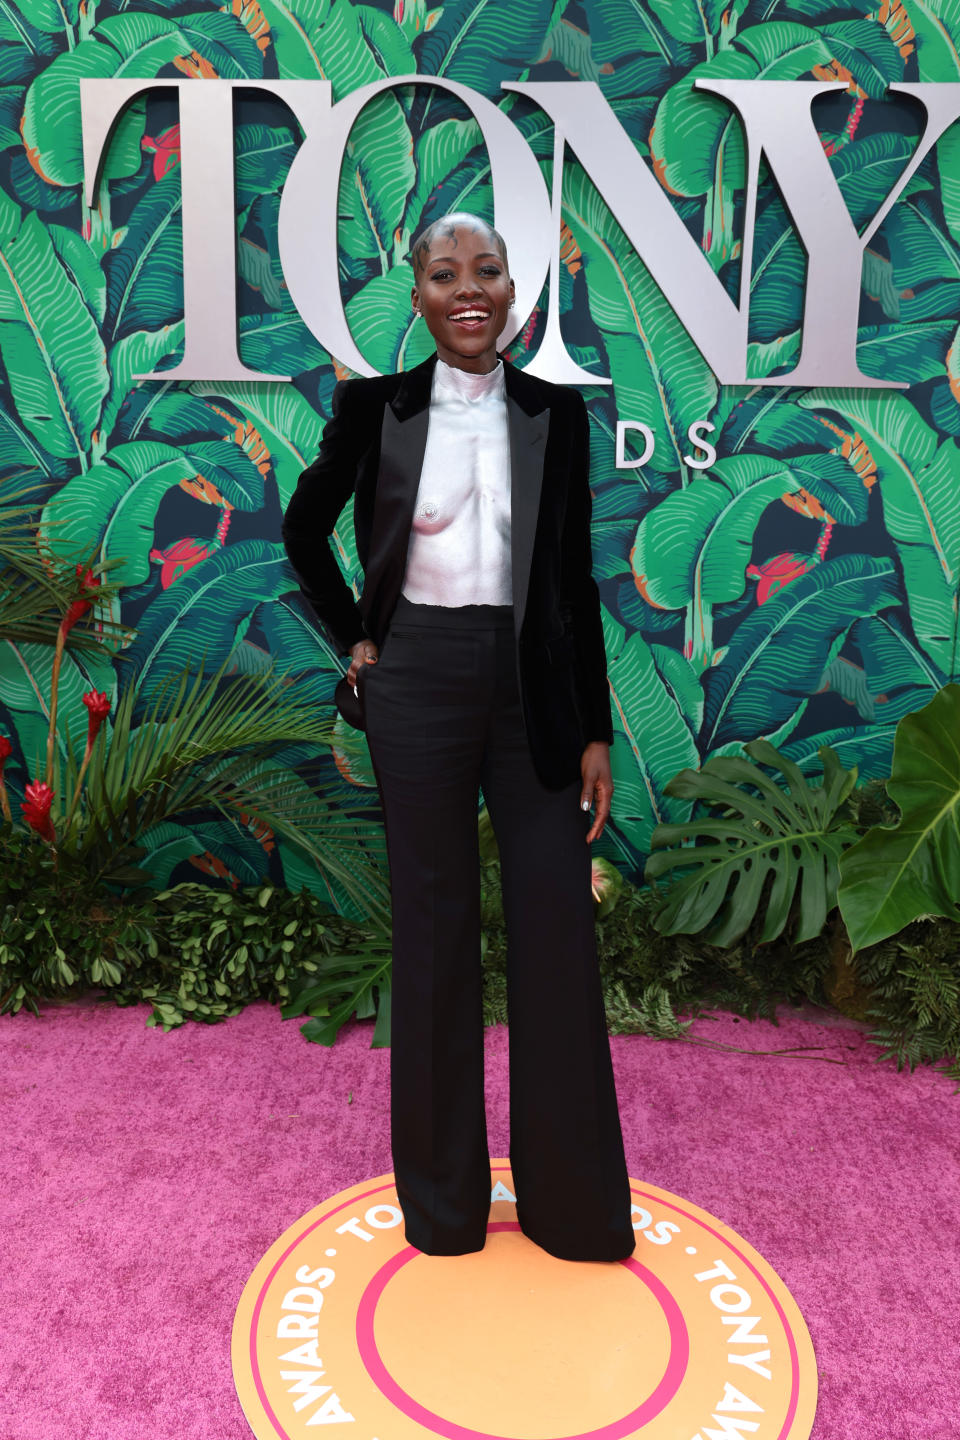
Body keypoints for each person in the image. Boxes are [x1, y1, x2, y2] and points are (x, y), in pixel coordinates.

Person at [281, 212, 634, 1263]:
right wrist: (356, 641)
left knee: (557, 938)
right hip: (419, 685)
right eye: (446, 273)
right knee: (433, 941)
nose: (469, 289)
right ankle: (442, 1211)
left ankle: (573, 1211)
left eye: (487, 270)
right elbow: (305, 527)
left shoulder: (552, 417)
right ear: (421, 294)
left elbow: (571, 581)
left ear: (512, 289)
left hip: (533, 697)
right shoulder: (372, 410)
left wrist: (597, 731)